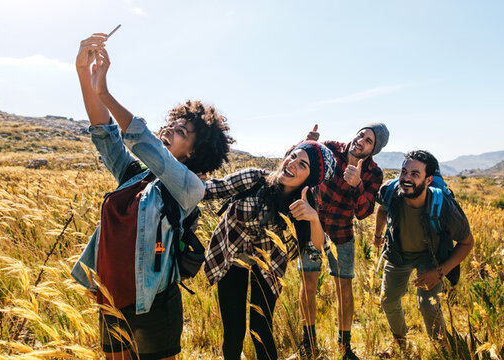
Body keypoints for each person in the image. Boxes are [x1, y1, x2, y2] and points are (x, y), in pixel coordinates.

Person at [70, 33, 233, 360]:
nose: (170, 129)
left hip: (154, 303)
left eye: (182, 132)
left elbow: (145, 143)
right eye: (172, 124)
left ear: (193, 154)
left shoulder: (189, 187)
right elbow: (105, 134)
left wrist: (105, 92)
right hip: (111, 298)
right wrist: (84, 74)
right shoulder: (134, 175)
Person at [202, 141, 335, 360]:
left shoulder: (303, 205)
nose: (292, 164)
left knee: (261, 328)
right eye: (293, 157)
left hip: (269, 267)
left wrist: (313, 218)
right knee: (233, 331)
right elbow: (212, 190)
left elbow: (318, 248)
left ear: (309, 180)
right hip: (231, 259)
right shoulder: (254, 179)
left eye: (302, 164)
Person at [297, 124, 388, 359]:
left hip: (342, 235)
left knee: (344, 288)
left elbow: (364, 212)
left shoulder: (374, 174)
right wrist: (305, 144)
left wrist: (357, 185)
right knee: (308, 284)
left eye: (368, 140)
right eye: (361, 134)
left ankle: (344, 347)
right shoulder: (328, 149)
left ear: (374, 149)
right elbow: (296, 168)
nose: (361, 141)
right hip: (312, 228)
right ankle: (308, 345)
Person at [373, 150, 473, 350]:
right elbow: (383, 208)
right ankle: (401, 343)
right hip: (398, 253)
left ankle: (440, 348)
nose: (406, 178)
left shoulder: (444, 206)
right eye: (404, 172)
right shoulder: (391, 192)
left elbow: (467, 242)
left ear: (428, 180)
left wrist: (439, 272)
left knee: (428, 305)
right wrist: (377, 235)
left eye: (415, 174)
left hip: (431, 256)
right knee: (388, 300)